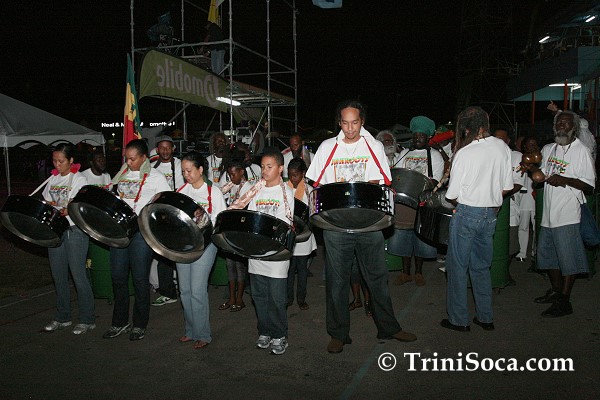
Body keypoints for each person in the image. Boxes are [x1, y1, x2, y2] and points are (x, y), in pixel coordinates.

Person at [305, 100, 417, 354]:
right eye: (345, 123)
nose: (350, 128)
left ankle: (388, 327)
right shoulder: (327, 147)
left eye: (354, 123)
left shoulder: (373, 146)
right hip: (336, 225)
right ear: (339, 122)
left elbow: (381, 181)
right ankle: (338, 334)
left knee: (377, 279)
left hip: (369, 223)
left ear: (362, 122)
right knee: (337, 282)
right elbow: (316, 184)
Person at [442, 106, 513, 332]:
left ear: (467, 128)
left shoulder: (464, 153)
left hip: (467, 213)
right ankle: (485, 317)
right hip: (490, 214)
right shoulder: (502, 147)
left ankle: (459, 320)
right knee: (482, 267)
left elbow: (452, 195)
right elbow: (507, 186)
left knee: (457, 268)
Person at [103, 139, 171, 341]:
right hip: (120, 231)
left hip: (141, 233)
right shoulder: (121, 174)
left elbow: (165, 202)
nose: (129, 162)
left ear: (144, 158)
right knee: (118, 277)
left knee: (140, 279)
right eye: (127, 158)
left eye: (133, 159)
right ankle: (120, 322)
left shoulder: (156, 177)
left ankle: (139, 324)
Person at [529, 111, 595, 317]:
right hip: (548, 214)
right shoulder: (549, 149)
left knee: (568, 260)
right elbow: (541, 175)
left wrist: (565, 180)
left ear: (574, 127)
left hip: (568, 214)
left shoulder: (581, 151)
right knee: (549, 258)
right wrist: (531, 169)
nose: (561, 127)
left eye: (566, 124)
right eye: (558, 123)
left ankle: (565, 301)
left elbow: (590, 186)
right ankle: (557, 292)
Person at [229, 149, 294, 355]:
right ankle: (264, 331)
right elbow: (247, 218)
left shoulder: (286, 192)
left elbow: (285, 224)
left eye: (269, 167)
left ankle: (279, 335)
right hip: (256, 254)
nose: (264, 171)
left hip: (275, 256)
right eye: (263, 167)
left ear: (280, 168)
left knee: (276, 299)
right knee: (259, 297)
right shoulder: (255, 190)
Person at [41, 144, 95, 335]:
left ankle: (87, 319)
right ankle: (62, 317)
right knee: (59, 276)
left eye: (61, 161)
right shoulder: (53, 178)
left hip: (74, 230)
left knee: (78, 275)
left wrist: (65, 208)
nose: (57, 164)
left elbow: (74, 205)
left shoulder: (80, 179)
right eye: (54, 161)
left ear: (71, 160)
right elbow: (47, 201)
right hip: (56, 230)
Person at [176, 151, 226, 348]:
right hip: (183, 245)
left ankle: (203, 334)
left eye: (189, 170)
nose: (186, 175)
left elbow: (220, 221)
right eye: (183, 171)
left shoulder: (214, 192)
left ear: (200, 169)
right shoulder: (181, 191)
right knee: (185, 291)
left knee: (197, 290)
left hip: (205, 245)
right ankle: (191, 330)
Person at [390, 116, 444, 287]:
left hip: (423, 203)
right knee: (404, 235)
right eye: (415, 136)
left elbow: (435, 181)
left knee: (420, 236)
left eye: (421, 136)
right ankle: (405, 273)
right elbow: (397, 176)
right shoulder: (404, 154)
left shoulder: (435, 156)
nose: (417, 138)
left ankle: (418, 272)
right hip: (404, 203)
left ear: (428, 137)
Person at [151, 135, 184, 307]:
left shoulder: (180, 165)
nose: (165, 151)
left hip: (177, 214)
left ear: (173, 149)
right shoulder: (151, 167)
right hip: (159, 216)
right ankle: (167, 291)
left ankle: (182, 287)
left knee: (180, 253)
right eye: (162, 148)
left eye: (168, 147)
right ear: (157, 149)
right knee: (163, 255)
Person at [218, 155, 250, 312]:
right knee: (230, 265)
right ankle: (231, 298)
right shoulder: (231, 185)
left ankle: (239, 298)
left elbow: (241, 207)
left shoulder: (248, 187)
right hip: (230, 229)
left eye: (234, 174)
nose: (231, 177)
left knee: (240, 266)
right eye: (229, 174)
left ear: (242, 172)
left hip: (241, 231)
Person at [493, 128, 525, 284]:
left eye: (502, 139)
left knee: (511, 245)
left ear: (508, 141)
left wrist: (500, 194)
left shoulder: (517, 157)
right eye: (496, 138)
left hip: (509, 207)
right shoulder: (488, 155)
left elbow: (518, 183)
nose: (498, 141)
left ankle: (503, 270)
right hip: (488, 207)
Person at [286, 158, 317, 310]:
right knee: (289, 269)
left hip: (303, 236)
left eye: (296, 175)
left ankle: (301, 298)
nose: (293, 179)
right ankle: (289, 297)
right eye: (290, 175)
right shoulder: (284, 188)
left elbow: (314, 213)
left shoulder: (309, 190)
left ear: (303, 173)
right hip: (290, 235)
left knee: (302, 269)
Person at [516, 136, 539, 263]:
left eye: (534, 144)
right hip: (524, 197)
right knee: (523, 226)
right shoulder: (521, 159)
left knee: (537, 227)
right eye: (530, 144)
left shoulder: (540, 159)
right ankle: (521, 253)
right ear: (525, 146)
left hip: (536, 197)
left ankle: (536, 253)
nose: (532, 147)